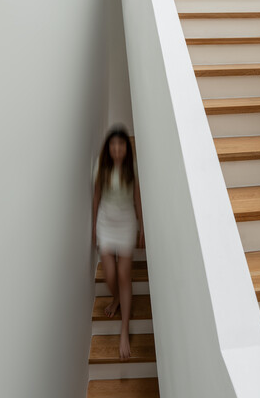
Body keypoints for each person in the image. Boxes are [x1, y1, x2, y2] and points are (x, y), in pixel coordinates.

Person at [92, 125, 144, 360]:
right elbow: (96, 197)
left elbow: (137, 198)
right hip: (105, 224)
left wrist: (141, 225)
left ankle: (124, 329)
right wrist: (94, 226)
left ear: (126, 148)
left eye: (121, 145)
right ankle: (116, 298)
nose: (117, 149)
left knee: (124, 276)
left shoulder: (132, 170)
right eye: (113, 145)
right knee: (110, 275)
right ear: (108, 148)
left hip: (125, 226)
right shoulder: (101, 168)